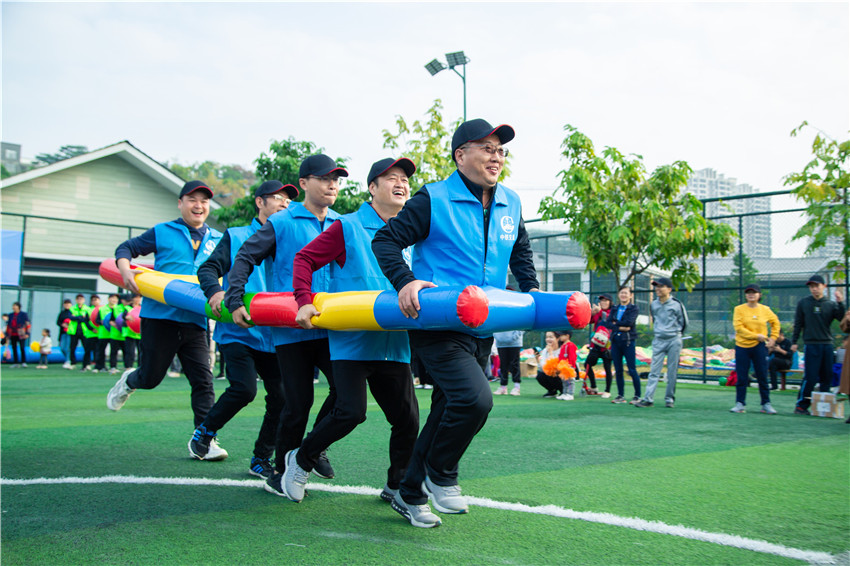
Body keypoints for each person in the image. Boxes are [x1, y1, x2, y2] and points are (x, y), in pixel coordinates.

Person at [372, 118, 539, 528]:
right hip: (439, 323)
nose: (496, 157)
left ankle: (410, 492)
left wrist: (533, 294)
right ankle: (441, 474)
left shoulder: (511, 202)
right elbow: (386, 240)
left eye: (500, 150)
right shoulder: (434, 198)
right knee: (475, 400)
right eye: (487, 148)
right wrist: (405, 281)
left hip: (484, 325)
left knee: (446, 409)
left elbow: (520, 253)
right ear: (461, 155)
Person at [281, 157, 421, 505]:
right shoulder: (349, 227)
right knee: (350, 412)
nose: (401, 184)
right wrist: (303, 300)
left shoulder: (413, 233)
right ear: (372, 188)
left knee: (407, 419)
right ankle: (301, 459)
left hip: (394, 343)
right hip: (353, 341)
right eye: (391, 178)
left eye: (405, 179)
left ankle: (396, 486)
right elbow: (304, 259)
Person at [224, 154, 347, 491]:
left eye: (336, 179)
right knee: (297, 404)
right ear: (304, 183)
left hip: (333, 326)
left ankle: (314, 447)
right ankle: (280, 473)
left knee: (346, 394)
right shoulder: (281, 222)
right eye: (325, 178)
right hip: (291, 328)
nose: (332, 185)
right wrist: (234, 299)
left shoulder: (342, 223)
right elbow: (245, 257)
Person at [192, 180, 296, 470]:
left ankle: (261, 458)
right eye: (278, 198)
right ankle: (204, 431)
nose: (284, 204)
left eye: (288, 200)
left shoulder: (292, 239)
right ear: (260, 202)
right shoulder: (236, 235)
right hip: (238, 332)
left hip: (275, 335)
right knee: (244, 389)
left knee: (282, 397)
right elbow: (208, 268)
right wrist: (215, 291)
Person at [107, 181, 222, 435]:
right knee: (150, 378)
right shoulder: (163, 231)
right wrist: (125, 269)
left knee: (204, 381)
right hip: (159, 318)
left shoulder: (218, 239)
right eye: (192, 200)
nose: (199, 206)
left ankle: (204, 440)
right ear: (180, 203)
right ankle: (129, 381)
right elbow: (126, 248)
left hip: (196, 320)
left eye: (204, 201)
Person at [791, 274, 845, 415]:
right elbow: (798, 323)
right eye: (811, 286)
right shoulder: (804, 303)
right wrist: (794, 341)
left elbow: (842, 319)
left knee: (827, 376)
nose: (814, 289)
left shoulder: (830, 304)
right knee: (810, 377)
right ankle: (801, 406)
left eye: (817, 286)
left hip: (827, 345)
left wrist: (840, 303)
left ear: (824, 286)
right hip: (811, 345)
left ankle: (823, 407)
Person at [636, 277, 688, 408]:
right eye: (656, 286)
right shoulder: (653, 304)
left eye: (661, 286)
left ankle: (669, 399)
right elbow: (655, 319)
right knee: (654, 370)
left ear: (669, 289)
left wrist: (676, 335)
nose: (657, 289)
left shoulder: (677, 304)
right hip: (658, 340)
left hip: (674, 340)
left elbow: (684, 323)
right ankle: (648, 399)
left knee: (672, 371)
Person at [729, 283, 780, 414]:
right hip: (742, 347)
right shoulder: (739, 309)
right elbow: (739, 328)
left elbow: (775, 323)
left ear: (759, 295)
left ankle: (766, 404)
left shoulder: (765, 310)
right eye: (748, 293)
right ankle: (740, 403)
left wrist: (773, 338)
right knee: (742, 376)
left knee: (762, 375)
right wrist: (756, 336)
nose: (751, 295)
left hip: (759, 347)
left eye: (754, 292)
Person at [609, 286, 640, 404]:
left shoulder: (633, 308)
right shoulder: (615, 308)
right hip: (615, 341)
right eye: (622, 293)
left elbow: (629, 323)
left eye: (626, 293)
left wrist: (616, 324)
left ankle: (637, 396)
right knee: (618, 369)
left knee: (632, 369)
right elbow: (609, 323)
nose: (623, 295)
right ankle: (620, 395)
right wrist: (621, 327)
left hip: (628, 341)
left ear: (630, 295)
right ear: (618, 294)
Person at [586, 294, 614, 398]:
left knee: (607, 368)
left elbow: (609, 319)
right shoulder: (597, 312)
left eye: (606, 301)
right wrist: (591, 313)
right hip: (595, 344)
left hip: (607, 346)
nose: (604, 302)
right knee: (587, 365)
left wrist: (600, 311)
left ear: (610, 302)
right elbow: (588, 321)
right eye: (602, 300)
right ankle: (593, 386)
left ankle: (607, 391)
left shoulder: (612, 312)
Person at [493, 327, 523, 396]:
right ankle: (503, 387)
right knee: (503, 365)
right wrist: (497, 336)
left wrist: (515, 336)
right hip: (500, 343)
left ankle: (517, 387)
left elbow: (523, 325)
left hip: (515, 343)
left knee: (514, 364)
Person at [66, 294, 92, 370]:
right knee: (72, 348)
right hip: (74, 331)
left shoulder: (87, 308)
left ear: (84, 300)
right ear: (76, 300)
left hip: (84, 331)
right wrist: (80, 317)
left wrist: (77, 317)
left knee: (86, 348)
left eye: (81, 299)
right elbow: (71, 317)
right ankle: (73, 363)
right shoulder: (72, 308)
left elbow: (87, 319)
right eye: (78, 299)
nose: (79, 300)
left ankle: (87, 363)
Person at [535, 331, 563, 397]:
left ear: (557, 338)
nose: (548, 339)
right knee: (540, 376)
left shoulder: (561, 350)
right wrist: (538, 360)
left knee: (552, 373)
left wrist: (551, 353)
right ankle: (552, 391)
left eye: (551, 337)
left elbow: (554, 368)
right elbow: (543, 369)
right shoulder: (545, 350)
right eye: (547, 337)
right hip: (551, 375)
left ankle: (563, 391)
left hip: (561, 376)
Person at [5, 302, 31, 367]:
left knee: (22, 347)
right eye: (13, 306)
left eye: (15, 306)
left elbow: (28, 324)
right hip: (12, 334)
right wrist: (7, 334)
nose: (13, 307)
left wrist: (27, 333)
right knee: (14, 348)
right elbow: (8, 325)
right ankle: (15, 362)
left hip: (21, 334)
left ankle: (23, 362)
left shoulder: (23, 314)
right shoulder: (10, 315)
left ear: (18, 307)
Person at [556, 330, 579, 400]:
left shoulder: (570, 345)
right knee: (564, 381)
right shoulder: (563, 345)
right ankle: (565, 393)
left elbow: (572, 357)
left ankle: (570, 394)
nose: (560, 337)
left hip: (569, 367)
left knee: (570, 381)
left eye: (561, 335)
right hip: (563, 367)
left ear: (567, 336)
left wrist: (571, 366)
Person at [121, 294, 141, 369]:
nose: (137, 299)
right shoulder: (127, 307)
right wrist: (127, 317)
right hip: (129, 332)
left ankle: (140, 367)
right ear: (132, 299)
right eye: (136, 298)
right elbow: (123, 316)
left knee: (141, 352)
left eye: (139, 298)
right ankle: (128, 367)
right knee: (130, 351)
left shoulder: (142, 308)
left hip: (139, 334)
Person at [57, 299, 73, 369]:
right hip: (63, 332)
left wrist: (70, 325)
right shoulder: (62, 313)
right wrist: (62, 325)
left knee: (68, 347)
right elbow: (58, 322)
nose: (67, 305)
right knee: (62, 348)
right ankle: (69, 358)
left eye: (68, 304)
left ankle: (68, 361)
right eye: (65, 304)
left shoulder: (73, 312)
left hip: (70, 332)